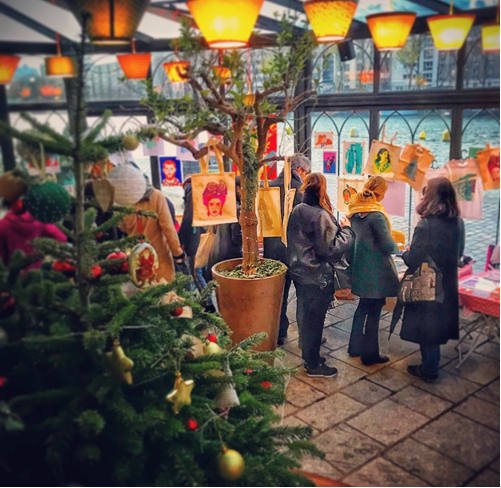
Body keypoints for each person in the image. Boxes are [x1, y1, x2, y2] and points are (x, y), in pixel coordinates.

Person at [395, 177, 464, 382]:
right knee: (436, 326)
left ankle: (429, 369)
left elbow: (414, 259)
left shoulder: (425, 225)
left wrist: (405, 252)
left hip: (428, 283)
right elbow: (459, 253)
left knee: (427, 328)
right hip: (448, 282)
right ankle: (430, 366)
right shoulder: (458, 222)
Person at [287, 173, 354, 378]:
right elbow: (331, 249)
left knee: (305, 314)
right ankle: (313, 363)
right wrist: (347, 231)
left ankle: (310, 354)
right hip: (317, 276)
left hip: (299, 271)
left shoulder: (298, 209)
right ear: (323, 190)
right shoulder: (320, 215)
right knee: (314, 319)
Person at [346, 176, 400, 365]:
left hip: (360, 267)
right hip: (376, 272)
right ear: (382, 193)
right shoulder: (376, 215)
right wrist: (400, 248)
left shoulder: (355, 212)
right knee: (375, 311)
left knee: (362, 307)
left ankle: (354, 347)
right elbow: (386, 245)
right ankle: (370, 354)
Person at [264, 153, 311, 346]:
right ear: (299, 170)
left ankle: (279, 332)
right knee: (303, 295)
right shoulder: (301, 191)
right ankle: (306, 338)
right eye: (307, 172)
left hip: (272, 251)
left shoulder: (269, 186)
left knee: (278, 295)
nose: (306, 176)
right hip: (295, 252)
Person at [121, 179, 185, 283]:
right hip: (159, 257)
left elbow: (122, 228)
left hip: (136, 259)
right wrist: (178, 253)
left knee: (143, 293)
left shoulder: (123, 201)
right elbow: (168, 227)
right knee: (165, 293)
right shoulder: (156, 196)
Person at [0, 198, 67, 268]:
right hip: (37, 272)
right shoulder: (38, 220)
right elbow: (61, 238)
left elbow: (1, 254)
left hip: (13, 274)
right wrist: (44, 251)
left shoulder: (3, 224)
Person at [206, 177, 242, 277]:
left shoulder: (223, 206)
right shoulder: (237, 209)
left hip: (216, 254)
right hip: (231, 257)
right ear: (238, 189)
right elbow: (236, 237)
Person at [179, 177, 203, 286]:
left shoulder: (191, 190)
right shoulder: (200, 192)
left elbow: (188, 218)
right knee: (199, 270)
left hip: (194, 237)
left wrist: (181, 239)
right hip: (201, 236)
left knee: (196, 272)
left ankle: (207, 302)